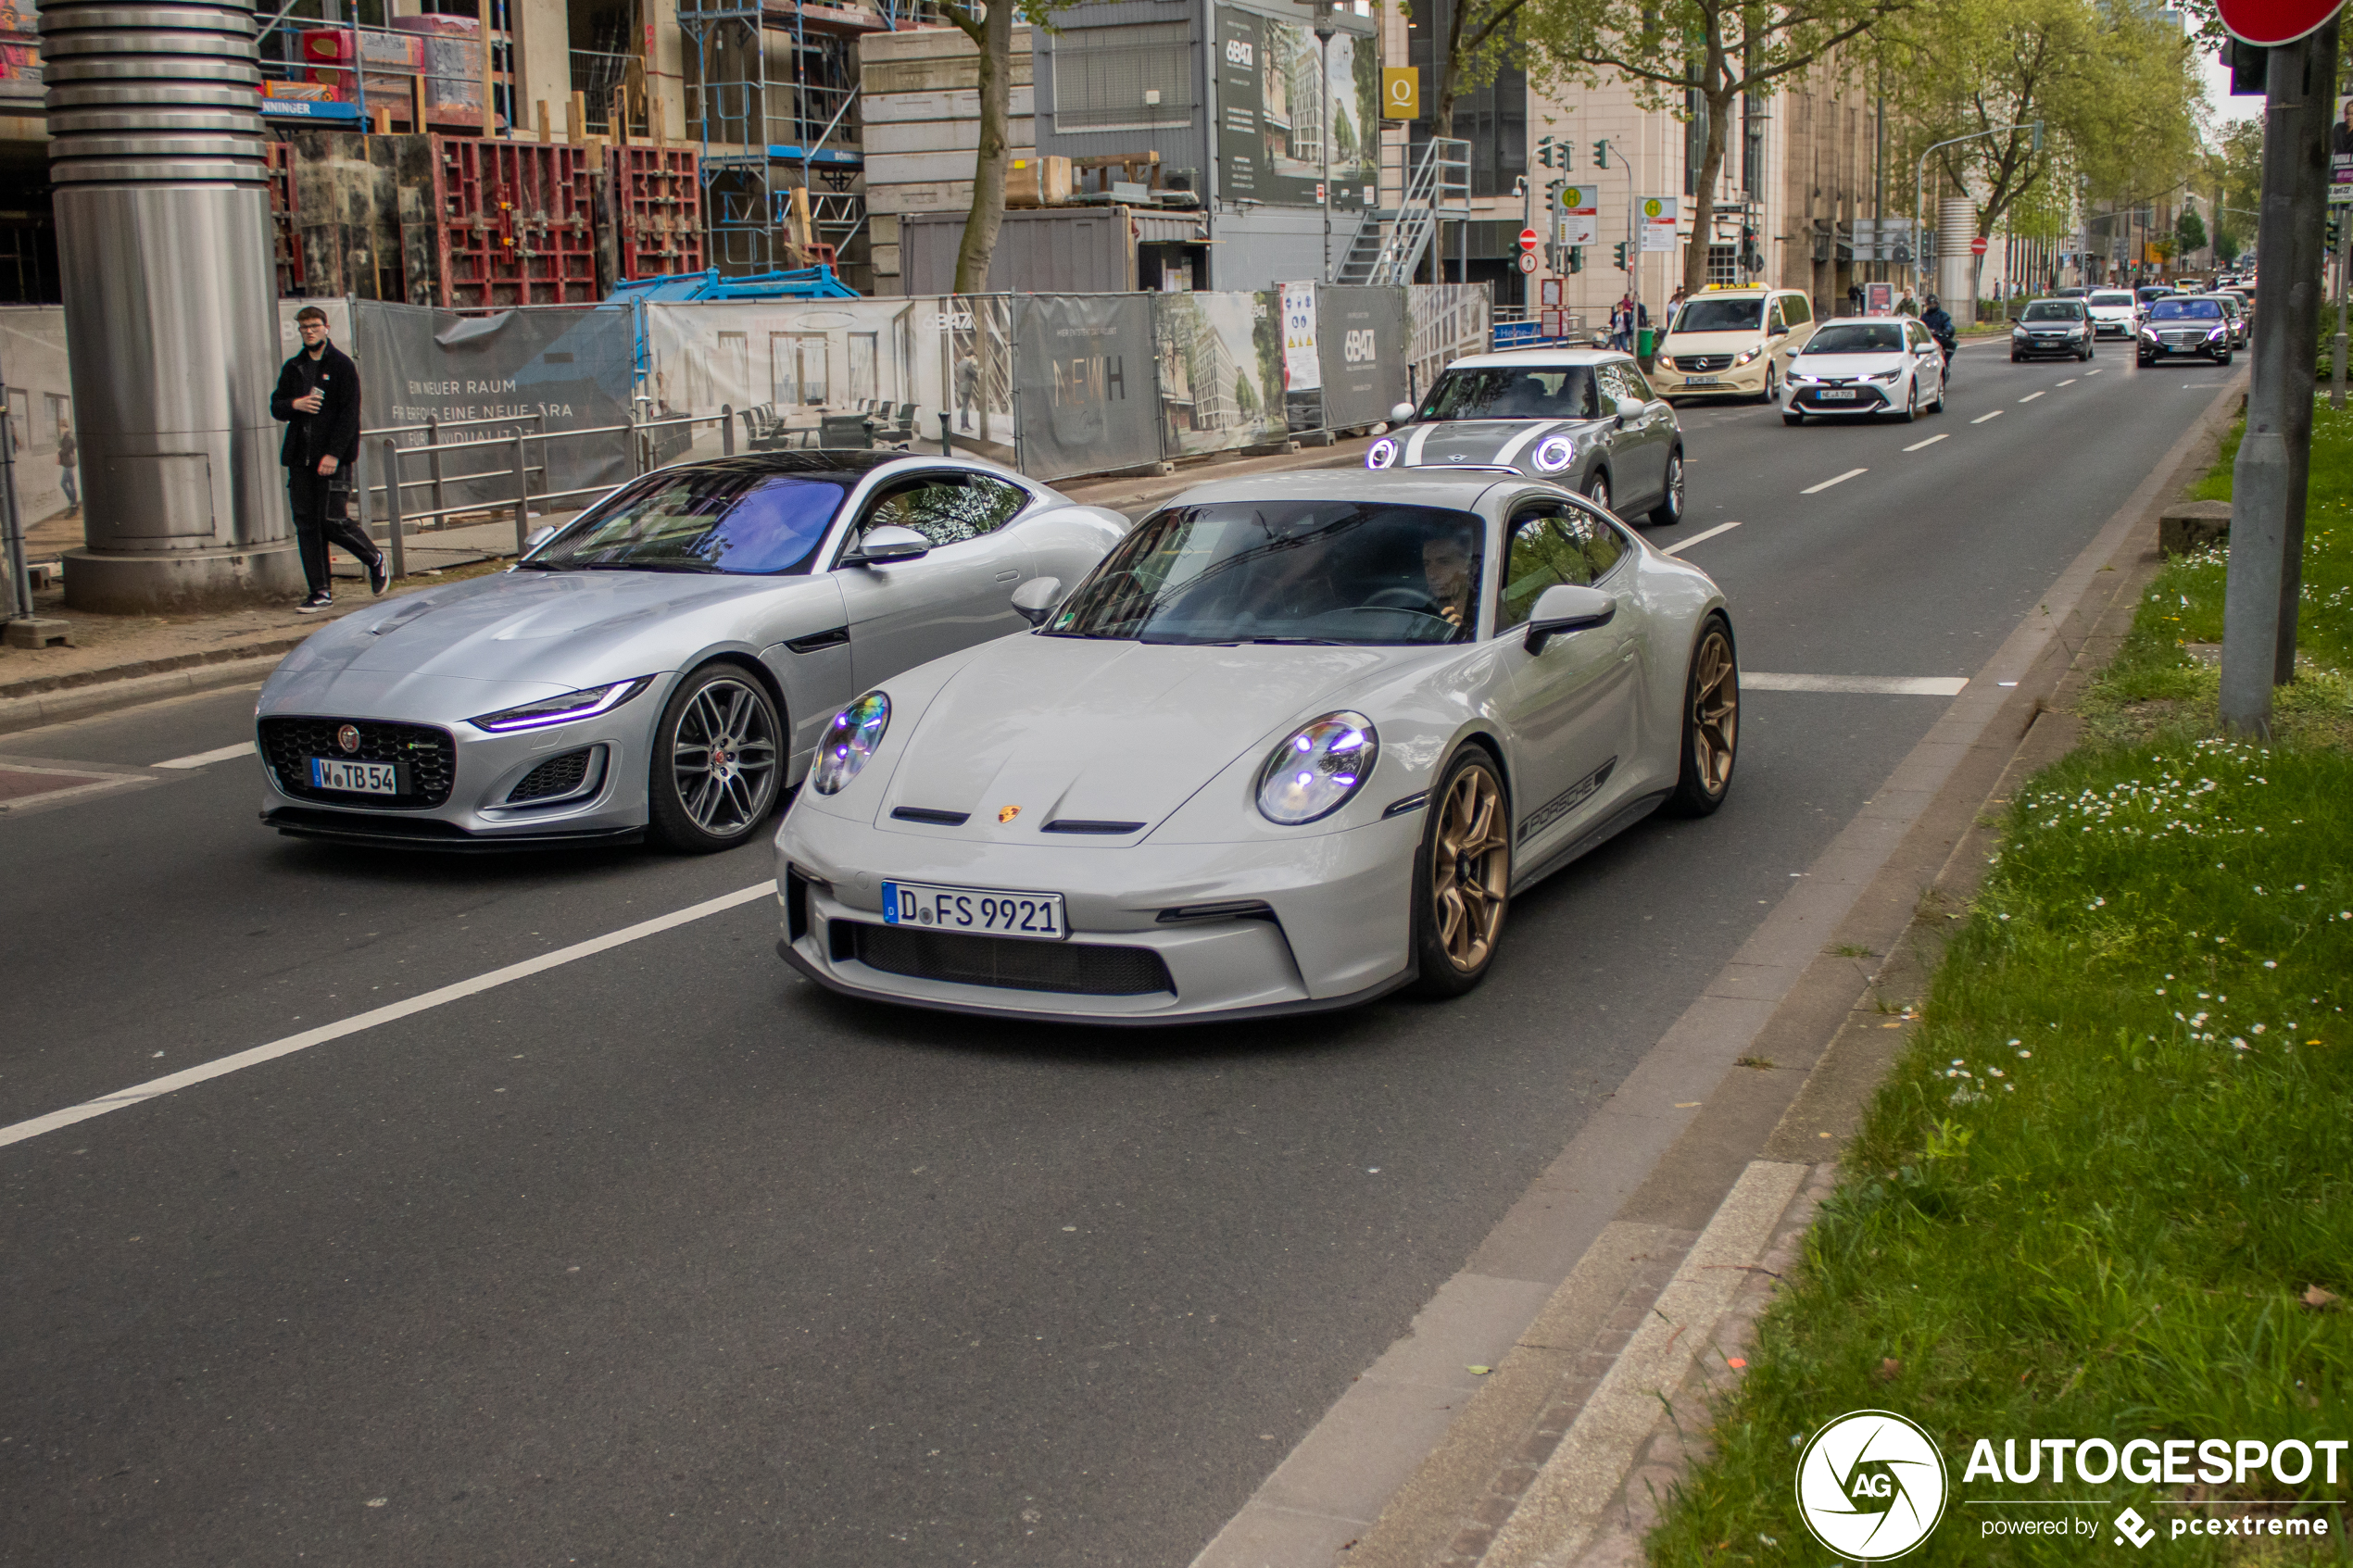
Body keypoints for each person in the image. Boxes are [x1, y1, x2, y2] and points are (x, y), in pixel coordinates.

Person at [271, 305, 384, 613]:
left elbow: (349, 414)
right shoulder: (294, 367)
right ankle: (320, 591)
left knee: (332, 520)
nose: (309, 331)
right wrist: (297, 403)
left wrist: (334, 454)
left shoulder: (342, 365)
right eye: (303, 327)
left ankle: (374, 558)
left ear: (326, 327)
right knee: (306, 524)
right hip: (300, 458)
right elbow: (277, 406)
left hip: (333, 459)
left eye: (314, 326)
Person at [56, 423, 77, 510]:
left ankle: (73, 502)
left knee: (64, 483)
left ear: (64, 427)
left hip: (68, 464)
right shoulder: (66, 437)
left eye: (61, 427)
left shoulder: (67, 437)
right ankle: (73, 503)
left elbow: (66, 449)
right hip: (68, 463)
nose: (60, 429)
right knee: (71, 484)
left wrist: (59, 453)